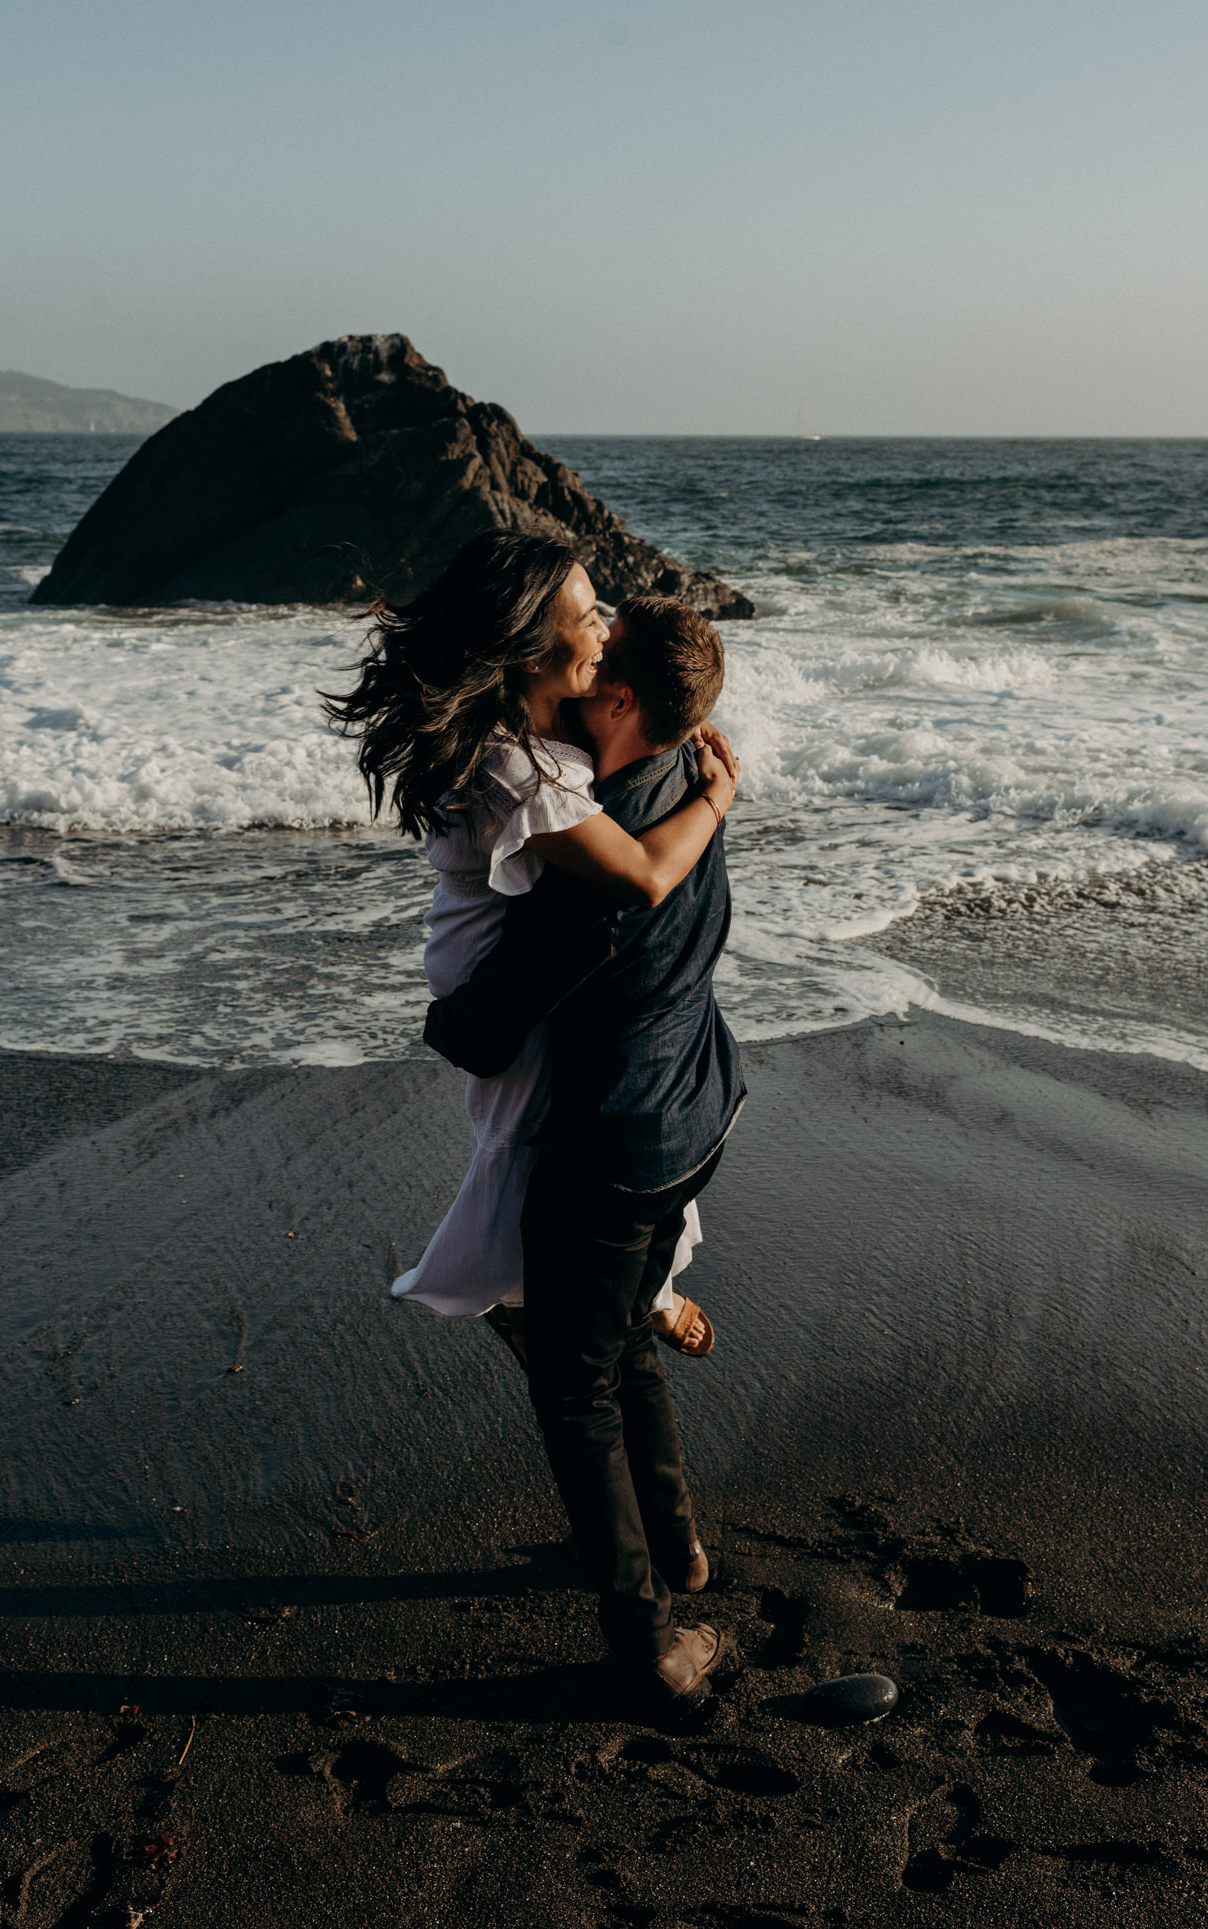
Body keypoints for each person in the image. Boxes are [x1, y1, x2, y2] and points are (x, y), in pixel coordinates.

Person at [424, 594, 745, 1716]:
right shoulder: (677, 788)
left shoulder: (593, 860)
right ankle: (677, 1552)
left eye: (603, 646)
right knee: (619, 1338)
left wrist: (449, 1026)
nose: (591, 639)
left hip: (613, 1144)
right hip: (702, 1106)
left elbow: (485, 1021)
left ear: (616, 698)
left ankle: (651, 1649)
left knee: (572, 1388)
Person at [322, 530, 737, 1352]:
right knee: (520, 1151)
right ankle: (516, 1292)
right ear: (529, 645)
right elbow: (646, 873)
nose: (602, 630)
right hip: (493, 983)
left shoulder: (554, 729)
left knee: (577, 1122)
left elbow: (635, 732)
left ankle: (639, 1287)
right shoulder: (513, 768)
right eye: (589, 616)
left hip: (528, 977)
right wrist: (719, 796)